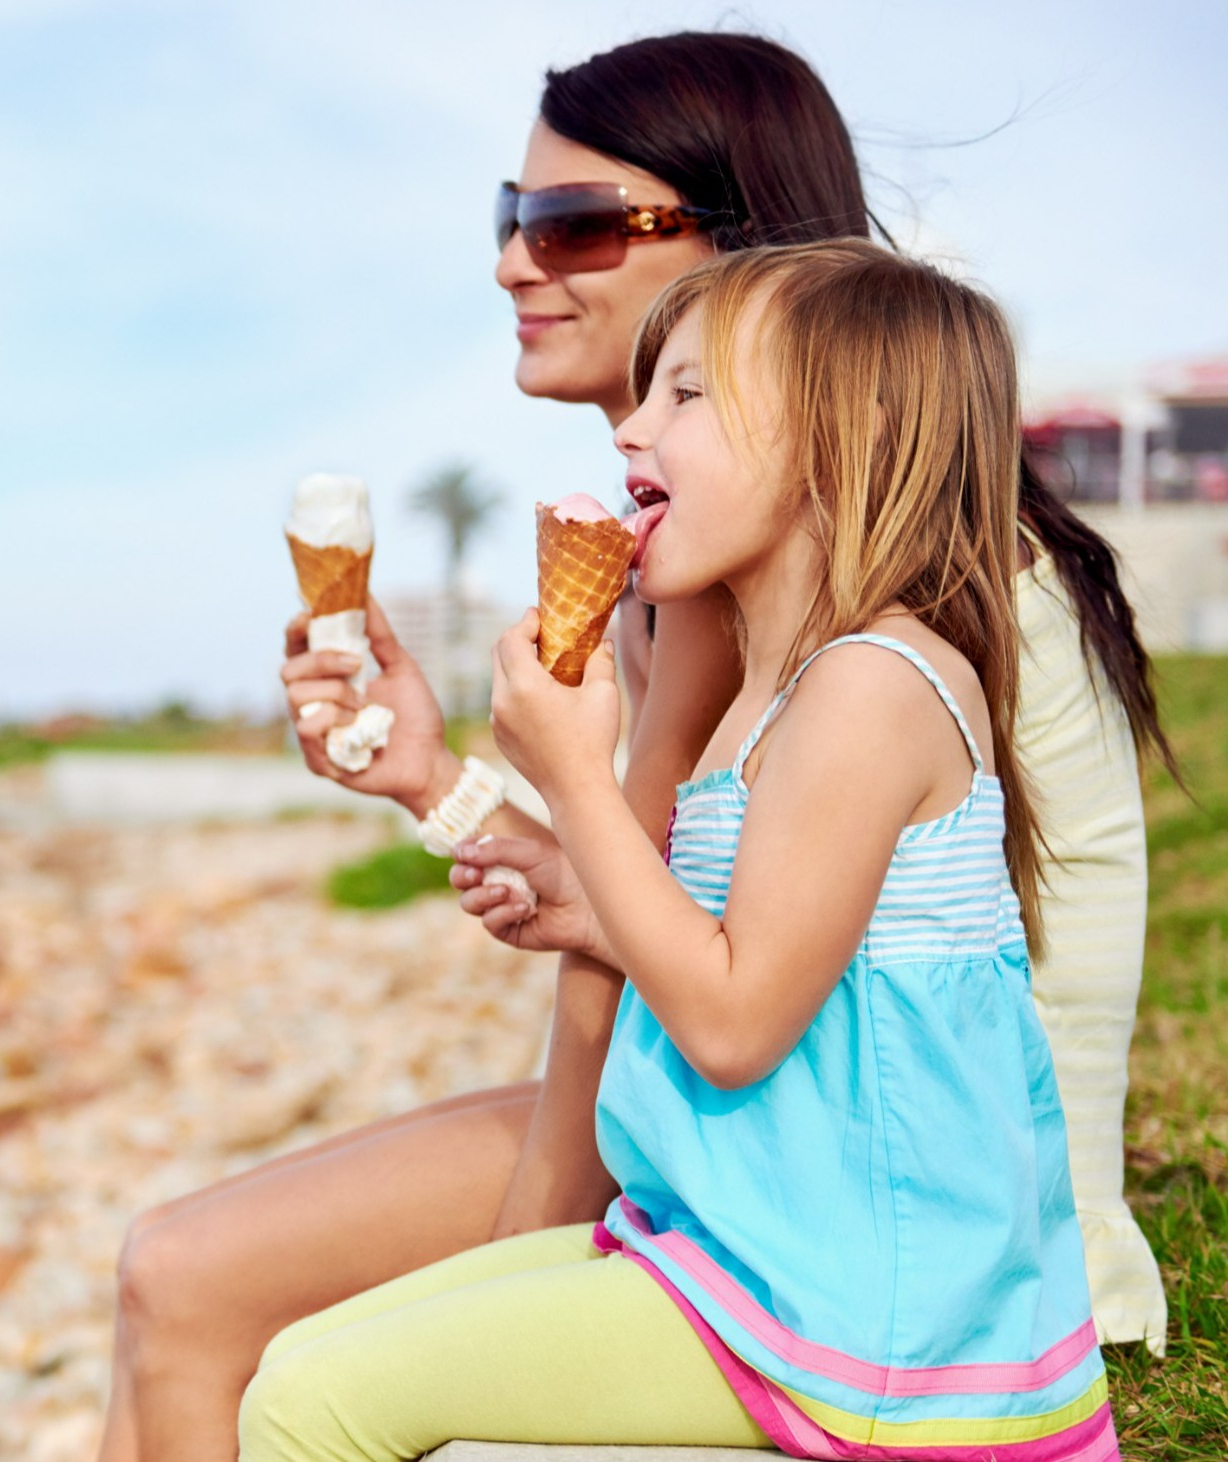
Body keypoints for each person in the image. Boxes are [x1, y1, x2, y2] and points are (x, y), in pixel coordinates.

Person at [99, 32, 1168, 1462]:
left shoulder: (858, 615)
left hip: (884, 1235)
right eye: (510, 217)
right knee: (193, 1281)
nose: (513, 264)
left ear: (740, 254)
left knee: (210, 1300)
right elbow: (652, 899)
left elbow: (680, 971)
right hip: (776, 1162)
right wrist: (428, 775)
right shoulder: (717, 580)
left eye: (574, 224)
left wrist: (552, 1223)